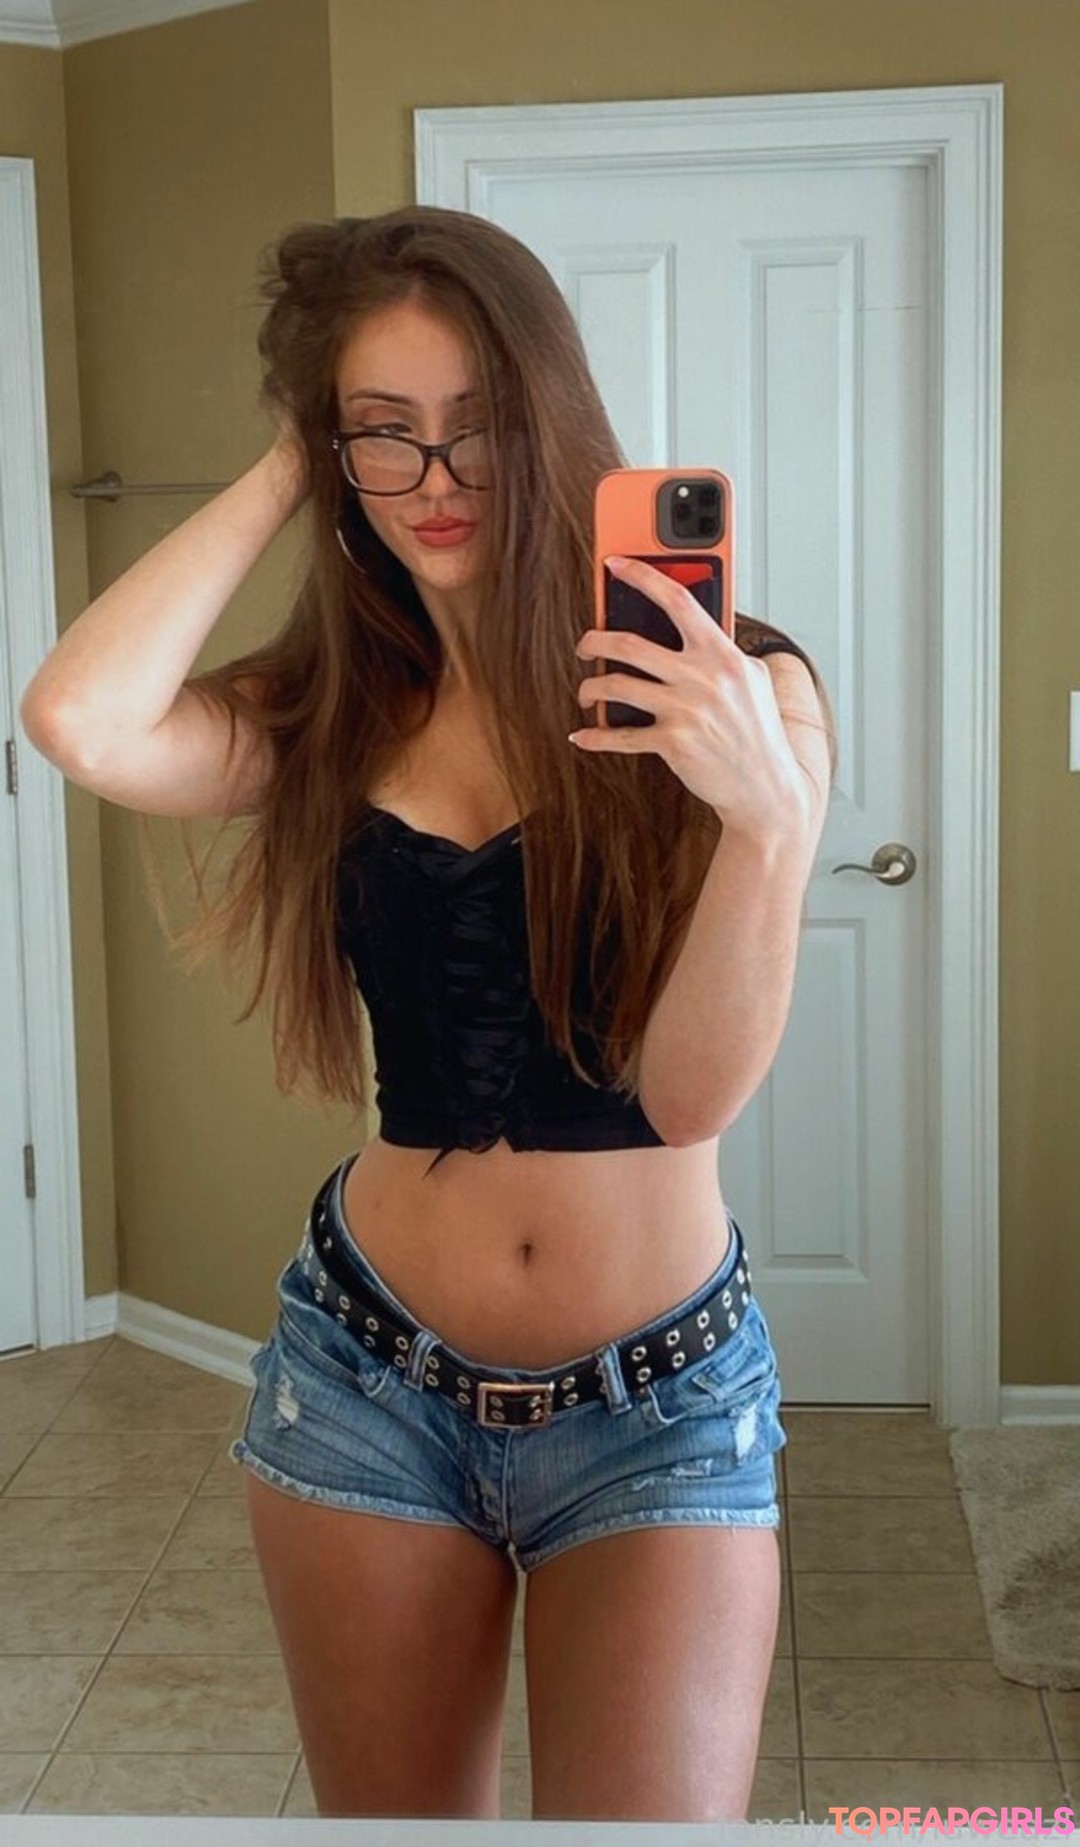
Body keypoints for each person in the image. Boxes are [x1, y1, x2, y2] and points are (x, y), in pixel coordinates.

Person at [20, 207, 836, 1823]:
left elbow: (686, 1100)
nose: (440, 479)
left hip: (659, 1404)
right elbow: (79, 718)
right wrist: (295, 457)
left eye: (477, 425)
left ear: (551, 419)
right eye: (387, 433)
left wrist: (767, 828)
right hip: (367, 1379)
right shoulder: (334, 714)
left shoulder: (736, 691)